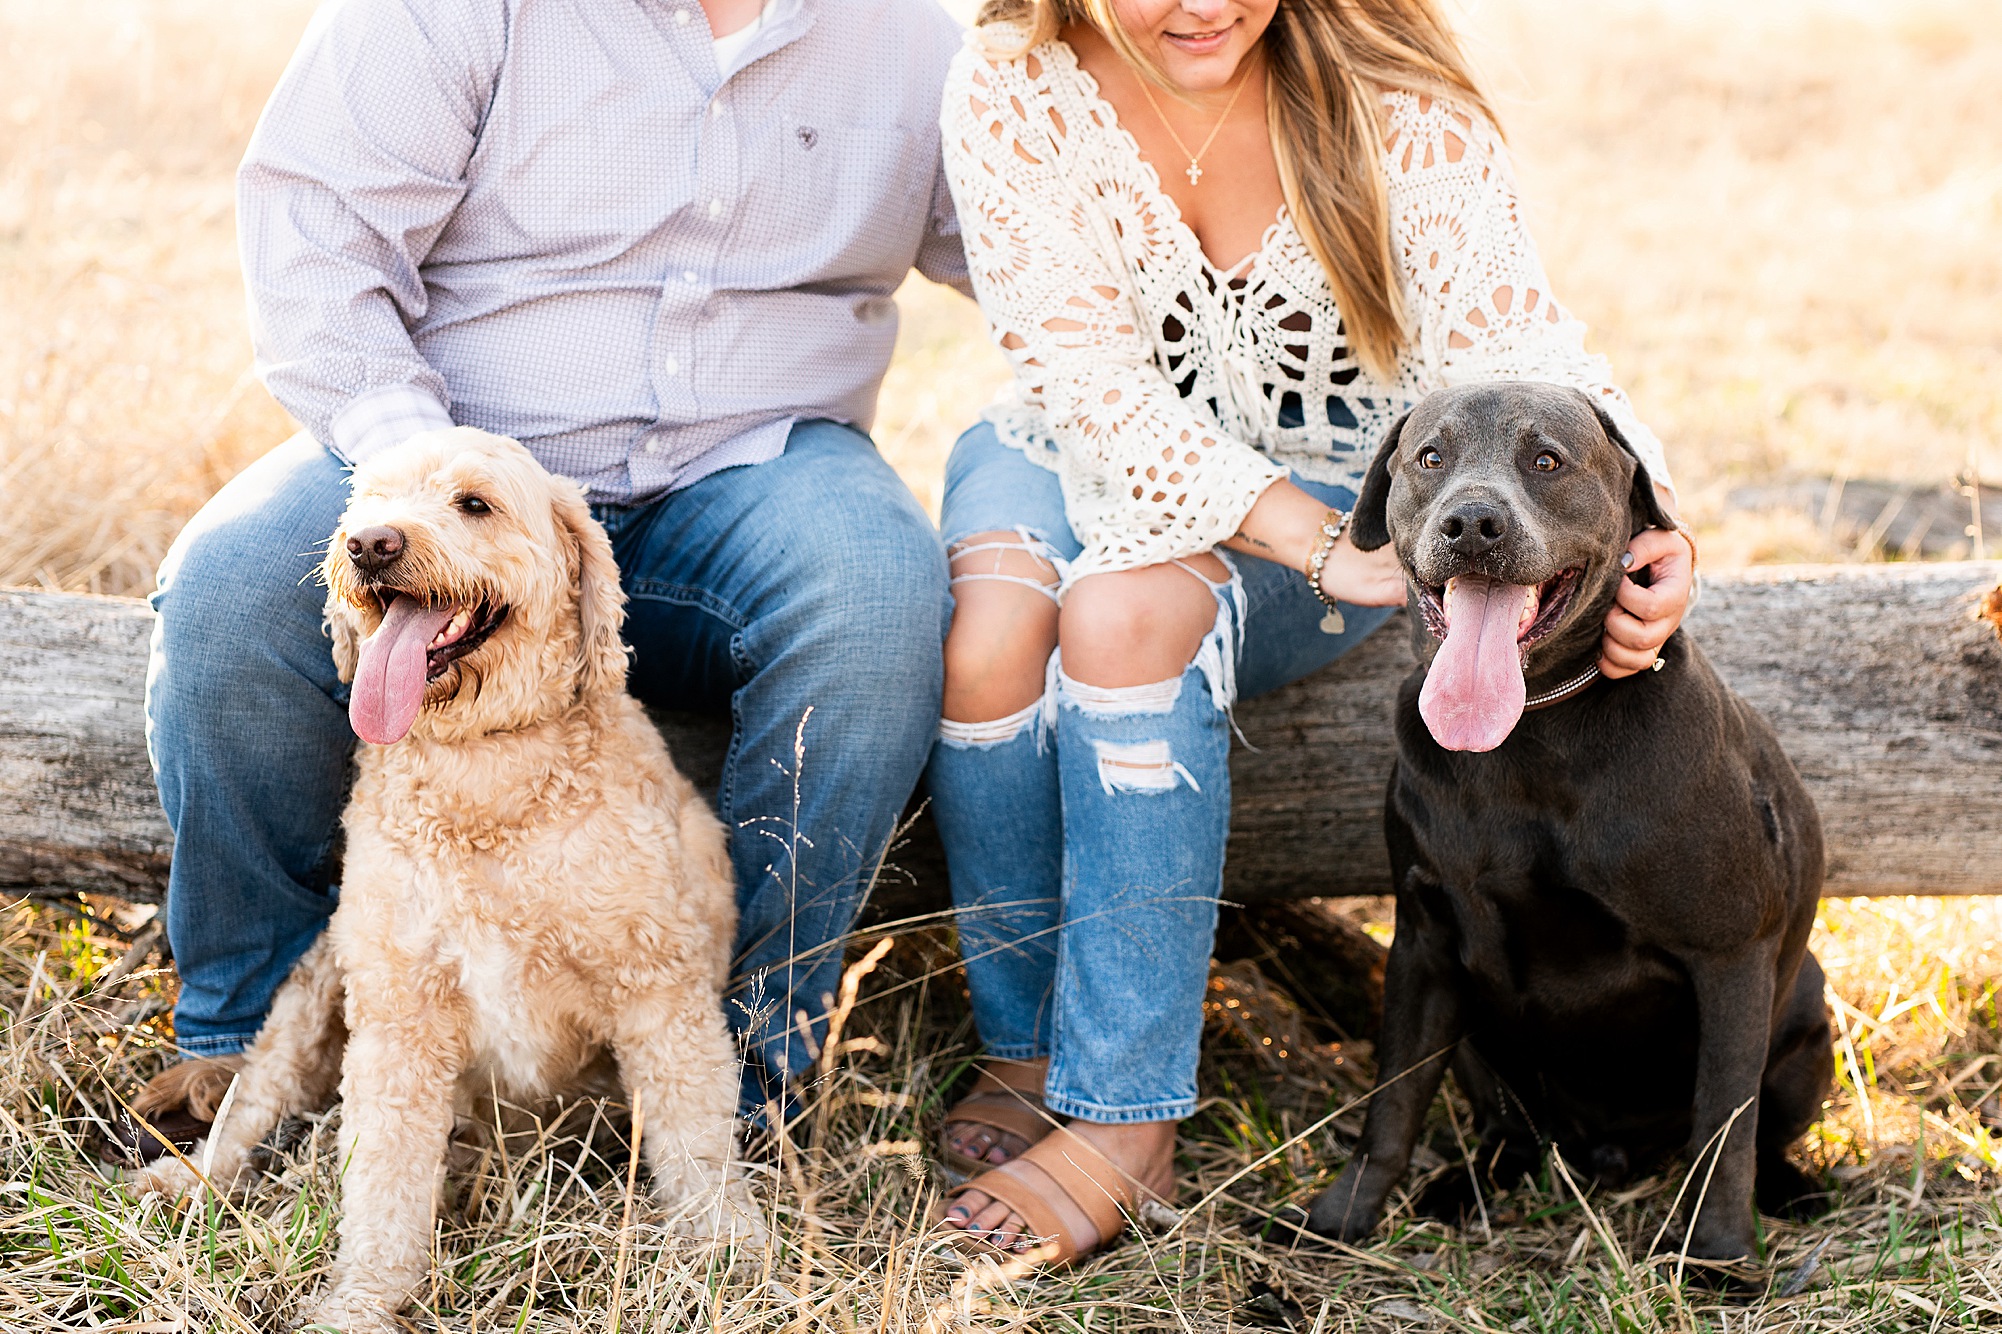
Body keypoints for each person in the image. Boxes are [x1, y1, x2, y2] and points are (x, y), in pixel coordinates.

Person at [116, 0, 969, 1160]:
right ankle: (253, 1057)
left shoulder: (916, 38)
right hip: (451, 440)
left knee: (873, 596)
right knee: (230, 592)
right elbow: (320, 237)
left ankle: (733, 1084)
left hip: (754, 467)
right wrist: (433, 492)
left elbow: (1044, 246)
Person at [925, 0, 1694, 1262]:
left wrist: (1655, 517)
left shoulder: (1389, 94)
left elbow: (1512, 337)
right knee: (990, 638)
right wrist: (1303, 536)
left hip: (1345, 483)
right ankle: (1026, 1047)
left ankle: (1124, 1118)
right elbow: (1088, 386)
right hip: (1076, 444)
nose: (1202, 6)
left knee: (1122, 614)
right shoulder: (1012, 82)